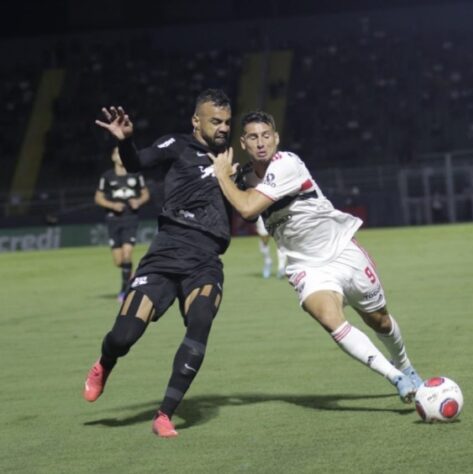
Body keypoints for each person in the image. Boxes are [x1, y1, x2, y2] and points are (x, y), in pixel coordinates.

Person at [210, 111, 422, 403]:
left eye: (266, 135)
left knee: (380, 321)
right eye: (253, 137)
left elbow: (247, 209)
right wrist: (228, 179)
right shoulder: (245, 176)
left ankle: (406, 366)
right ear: (243, 143)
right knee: (329, 318)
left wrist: (222, 177)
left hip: (343, 250)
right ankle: (395, 378)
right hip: (305, 266)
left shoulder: (287, 164)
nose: (261, 143)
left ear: (276, 138)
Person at [83, 89, 234, 438]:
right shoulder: (178, 145)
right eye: (216, 121)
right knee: (123, 337)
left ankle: (165, 413)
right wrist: (125, 143)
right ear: (196, 121)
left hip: (205, 260)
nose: (223, 127)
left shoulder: (227, 159)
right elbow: (137, 162)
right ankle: (104, 365)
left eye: (227, 122)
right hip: (165, 256)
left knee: (200, 321)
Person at [94, 146, 150, 301]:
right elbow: (98, 198)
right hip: (113, 219)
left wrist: (138, 201)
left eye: (121, 153)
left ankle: (125, 291)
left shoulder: (135, 174)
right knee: (119, 261)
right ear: (112, 157)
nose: (119, 156)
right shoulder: (107, 177)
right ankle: (131, 276)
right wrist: (112, 206)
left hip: (130, 218)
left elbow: (145, 194)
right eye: (116, 153)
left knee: (127, 254)